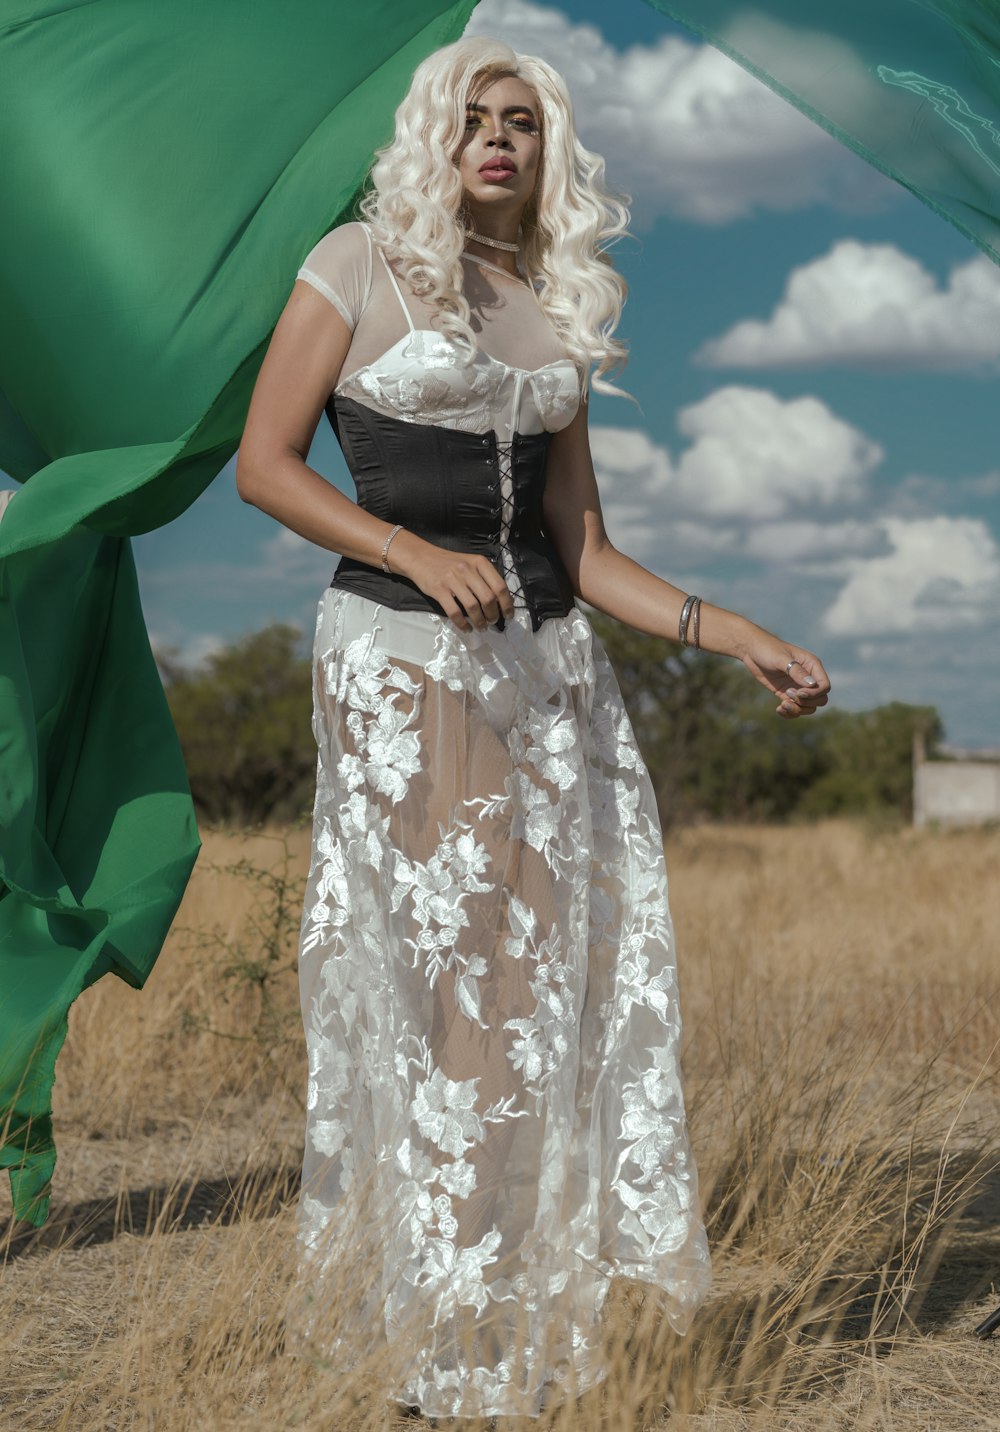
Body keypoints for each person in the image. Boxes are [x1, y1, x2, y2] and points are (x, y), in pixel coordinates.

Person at [235, 33, 830, 1422]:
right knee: (465, 992)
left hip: (551, 668)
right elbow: (264, 464)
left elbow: (585, 545)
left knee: (548, 993)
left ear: (548, 152)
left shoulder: (553, 305)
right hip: (403, 659)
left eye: (520, 122)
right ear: (433, 136)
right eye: (471, 118)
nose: (495, 140)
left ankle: (504, 1331)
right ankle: (437, 1356)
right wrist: (408, 550)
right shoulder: (358, 264)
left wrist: (727, 628)